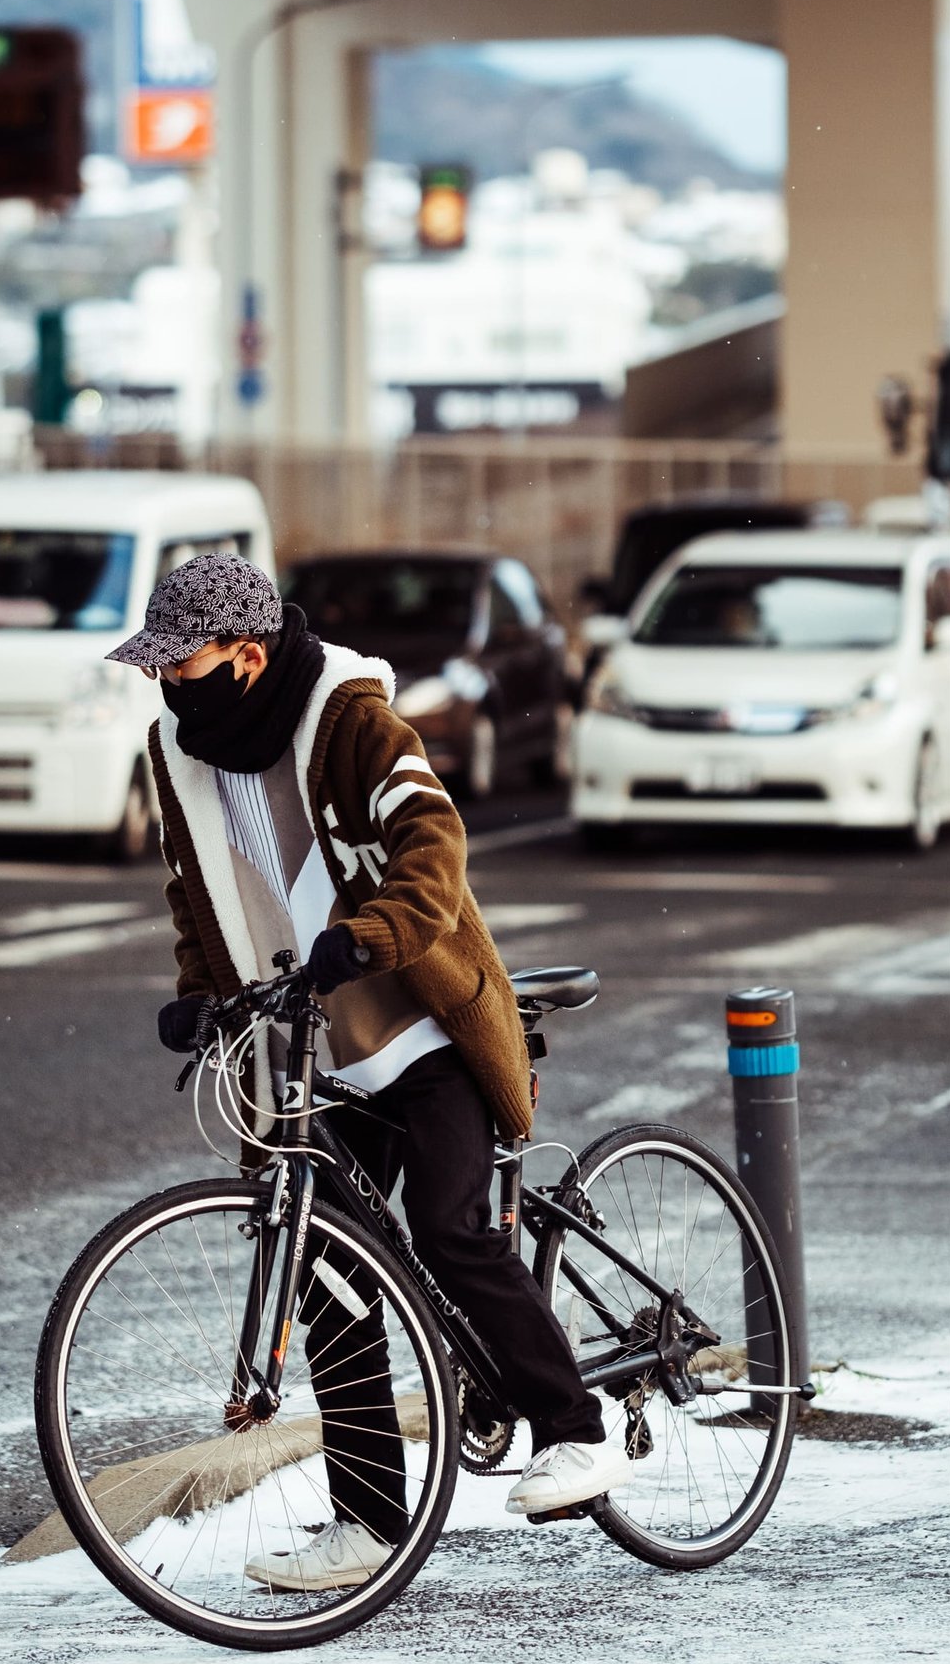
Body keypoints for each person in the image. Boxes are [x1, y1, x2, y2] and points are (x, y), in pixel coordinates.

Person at [107, 554, 631, 1590]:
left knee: (449, 1228)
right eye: (155, 666)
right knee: (330, 1271)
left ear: (246, 658)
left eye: (182, 663)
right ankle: (371, 1518)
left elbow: (432, 842)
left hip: (421, 1028)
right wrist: (197, 990)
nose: (164, 682)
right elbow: (193, 890)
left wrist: (373, 931)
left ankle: (579, 1424)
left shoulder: (347, 715)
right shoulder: (177, 748)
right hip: (310, 1048)